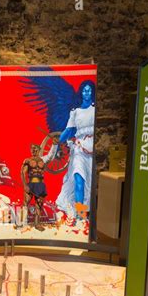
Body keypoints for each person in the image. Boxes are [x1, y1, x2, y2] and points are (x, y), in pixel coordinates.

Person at [56, 80, 95, 221]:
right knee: (79, 181)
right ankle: (80, 214)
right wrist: (58, 142)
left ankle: (85, 210)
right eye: (84, 90)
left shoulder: (95, 110)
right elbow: (69, 130)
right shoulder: (75, 112)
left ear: (92, 92)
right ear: (81, 92)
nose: (87, 92)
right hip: (79, 150)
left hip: (91, 149)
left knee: (89, 184)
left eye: (89, 90)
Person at [21, 139, 58, 231]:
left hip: (40, 184)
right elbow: (22, 173)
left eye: (35, 149)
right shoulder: (28, 160)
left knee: (39, 204)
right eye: (32, 149)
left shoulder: (43, 160)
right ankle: (21, 223)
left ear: (39, 149)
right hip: (31, 183)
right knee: (26, 203)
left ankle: (37, 224)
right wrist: (25, 185)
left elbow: (51, 156)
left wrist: (54, 145)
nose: (33, 150)